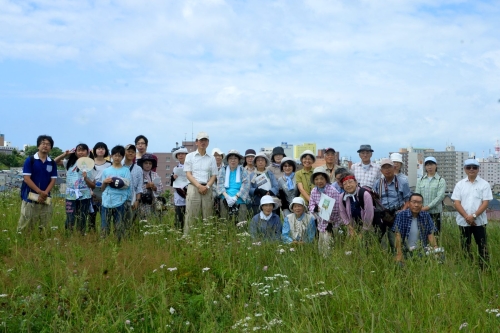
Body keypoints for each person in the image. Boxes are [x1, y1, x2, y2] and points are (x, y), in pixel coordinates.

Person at [451, 159, 492, 269]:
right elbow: (456, 202)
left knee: (482, 245)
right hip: (463, 222)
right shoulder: (460, 184)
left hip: (480, 222)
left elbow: (485, 202)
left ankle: (484, 268)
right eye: (469, 167)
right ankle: (468, 267)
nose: (471, 169)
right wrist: (466, 217)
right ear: (464, 169)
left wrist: (473, 216)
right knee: (465, 245)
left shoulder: (485, 184)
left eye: (474, 167)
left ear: (478, 169)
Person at [18, 135, 58, 232]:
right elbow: (27, 179)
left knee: (44, 224)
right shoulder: (30, 160)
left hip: (45, 198)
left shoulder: (52, 163)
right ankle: (22, 243)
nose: (45, 146)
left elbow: (53, 180)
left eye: (48, 144)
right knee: (25, 223)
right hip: (30, 197)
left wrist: (45, 193)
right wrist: (39, 192)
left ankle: (42, 242)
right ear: (38, 146)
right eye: (43, 143)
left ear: (50, 148)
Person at [55, 144, 95, 235]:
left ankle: (80, 236)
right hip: (70, 196)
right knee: (70, 217)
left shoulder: (91, 165)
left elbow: (93, 186)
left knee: (82, 217)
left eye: (83, 150)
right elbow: (54, 162)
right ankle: (68, 235)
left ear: (87, 152)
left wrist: (86, 179)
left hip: (84, 196)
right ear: (75, 152)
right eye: (78, 150)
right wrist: (64, 154)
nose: (81, 152)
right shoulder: (69, 162)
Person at [373, 158, 411, 252]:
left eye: (389, 167)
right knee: (380, 242)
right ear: (381, 171)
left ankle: (400, 259)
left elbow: (408, 200)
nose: (387, 170)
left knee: (397, 242)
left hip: (396, 214)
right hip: (383, 214)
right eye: (384, 168)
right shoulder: (378, 183)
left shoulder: (403, 182)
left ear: (394, 168)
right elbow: (375, 199)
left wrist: (403, 210)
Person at [184, 132, 218, 235]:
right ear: (196, 142)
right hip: (193, 187)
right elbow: (188, 174)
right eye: (201, 140)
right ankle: (188, 238)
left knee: (207, 215)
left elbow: (214, 175)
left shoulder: (212, 158)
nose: (203, 142)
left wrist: (207, 186)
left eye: (205, 140)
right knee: (191, 215)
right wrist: (199, 186)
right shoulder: (190, 156)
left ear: (208, 142)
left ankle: (207, 238)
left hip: (207, 188)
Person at [393, 193, 438, 264]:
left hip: (422, 250)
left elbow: (430, 234)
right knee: (399, 265)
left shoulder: (426, 215)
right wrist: (399, 253)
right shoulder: (401, 215)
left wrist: (435, 248)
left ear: (422, 204)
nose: (416, 205)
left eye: (419, 203)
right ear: (409, 203)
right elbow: (397, 235)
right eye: (414, 202)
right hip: (405, 251)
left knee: (439, 260)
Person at [308, 167, 343, 255]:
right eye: (316, 179)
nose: (319, 181)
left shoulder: (332, 191)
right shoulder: (313, 191)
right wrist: (315, 208)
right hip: (320, 223)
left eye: (321, 178)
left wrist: (330, 223)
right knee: (321, 247)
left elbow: (337, 209)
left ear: (326, 179)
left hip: (332, 224)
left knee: (330, 248)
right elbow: (310, 205)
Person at [101, 145, 131, 241]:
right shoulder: (106, 171)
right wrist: (105, 182)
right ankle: (104, 243)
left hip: (120, 201)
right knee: (104, 225)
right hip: (106, 201)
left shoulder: (126, 170)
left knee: (119, 226)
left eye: (119, 156)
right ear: (111, 156)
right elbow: (102, 188)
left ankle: (118, 244)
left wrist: (117, 182)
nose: (117, 158)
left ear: (122, 157)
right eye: (115, 155)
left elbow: (127, 185)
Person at [217, 150, 250, 223]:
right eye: (231, 158)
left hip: (240, 199)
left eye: (235, 158)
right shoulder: (223, 170)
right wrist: (227, 197)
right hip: (225, 199)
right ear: (227, 160)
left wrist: (236, 197)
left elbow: (246, 185)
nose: (233, 160)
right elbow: (220, 184)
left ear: (238, 160)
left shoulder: (243, 170)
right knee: (225, 222)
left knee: (241, 223)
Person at [415, 157, 446, 234]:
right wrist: (420, 207)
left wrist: (427, 207)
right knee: (422, 234)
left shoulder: (441, 180)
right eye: (427, 165)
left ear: (436, 165)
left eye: (431, 164)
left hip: (435, 213)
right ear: (425, 166)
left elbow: (440, 197)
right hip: (421, 212)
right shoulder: (420, 180)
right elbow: (417, 195)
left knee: (435, 234)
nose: (430, 167)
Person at [88, 142, 111, 232]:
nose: (100, 150)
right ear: (95, 150)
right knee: (91, 216)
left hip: (105, 192)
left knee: (105, 215)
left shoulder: (110, 164)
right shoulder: (90, 163)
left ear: (105, 151)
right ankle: (91, 234)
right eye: (98, 148)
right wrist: (90, 190)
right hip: (91, 192)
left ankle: (104, 233)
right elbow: (87, 178)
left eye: (103, 148)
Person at [123, 144, 143, 233]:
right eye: (128, 151)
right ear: (124, 153)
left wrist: (137, 200)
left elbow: (139, 186)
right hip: (119, 198)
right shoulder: (119, 166)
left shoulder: (138, 169)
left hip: (132, 198)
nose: (130, 153)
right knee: (119, 221)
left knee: (130, 222)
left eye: (133, 152)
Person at [137, 153, 164, 219]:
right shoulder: (138, 174)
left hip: (154, 202)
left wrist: (155, 188)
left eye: (150, 163)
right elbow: (135, 189)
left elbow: (161, 189)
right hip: (141, 203)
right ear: (142, 164)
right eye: (146, 163)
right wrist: (146, 186)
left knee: (154, 220)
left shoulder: (155, 175)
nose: (148, 165)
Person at [171, 147, 189, 229]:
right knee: (179, 217)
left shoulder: (191, 166)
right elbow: (172, 183)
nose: (180, 155)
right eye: (179, 154)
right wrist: (173, 178)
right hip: (179, 194)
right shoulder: (175, 168)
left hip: (189, 192)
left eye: (182, 154)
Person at [211, 147, 224, 216]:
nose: (218, 157)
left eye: (219, 155)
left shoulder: (225, 168)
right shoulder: (209, 168)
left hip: (223, 193)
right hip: (212, 193)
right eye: (215, 155)